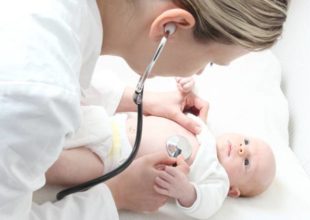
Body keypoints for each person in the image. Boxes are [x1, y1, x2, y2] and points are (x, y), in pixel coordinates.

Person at [0, 0, 288, 219]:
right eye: (209, 61)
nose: (199, 72)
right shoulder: (40, 99)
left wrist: (135, 99)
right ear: (170, 28)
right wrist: (116, 195)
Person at [46, 77, 276, 219]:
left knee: (58, 165)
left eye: (247, 162)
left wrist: (185, 191)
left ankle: (29, 165)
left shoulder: (217, 179)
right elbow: (181, 106)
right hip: (111, 123)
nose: (242, 150)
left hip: (111, 162)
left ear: (233, 191)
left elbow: (204, 205)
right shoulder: (202, 128)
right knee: (63, 117)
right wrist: (188, 88)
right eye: (246, 142)